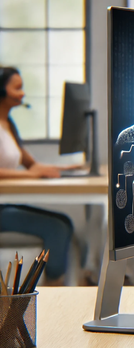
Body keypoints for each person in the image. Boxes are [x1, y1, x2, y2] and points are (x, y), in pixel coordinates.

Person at [0, 66, 75, 285]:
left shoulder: (8, 126)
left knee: (65, 222)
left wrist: (69, 169)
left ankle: (61, 284)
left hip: (7, 203)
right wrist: (30, 176)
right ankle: (55, 290)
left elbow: (31, 164)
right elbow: (29, 172)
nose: (22, 93)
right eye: (17, 88)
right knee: (57, 228)